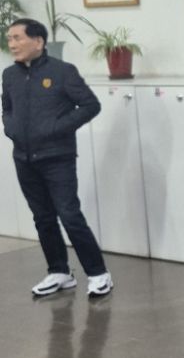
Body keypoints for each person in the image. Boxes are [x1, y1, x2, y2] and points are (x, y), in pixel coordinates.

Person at [2, 18, 113, 298]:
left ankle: (99, 274)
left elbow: (90, 105)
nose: (11, 44)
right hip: (24, 158)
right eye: (9, 38)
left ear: (38, 41)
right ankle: (59, 272)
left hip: (57, 158)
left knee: (69, 215)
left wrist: (57, 128)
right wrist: (10, 128)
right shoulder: (9, 75)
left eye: (17, 38)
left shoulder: (62, 72)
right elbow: (7, 108)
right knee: (42, 217)